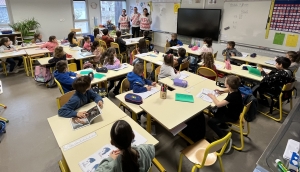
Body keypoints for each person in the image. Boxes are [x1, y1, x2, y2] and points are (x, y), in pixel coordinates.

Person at [207, 75, 244, 153]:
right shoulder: (236, 90)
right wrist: (221, 91)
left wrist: (213, 97)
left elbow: (218, 104)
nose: (224, 81)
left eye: (225, 81)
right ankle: (223, 125)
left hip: (232, 116)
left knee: (210, 121)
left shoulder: (232, 96)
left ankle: (224, 138)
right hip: (234, 111)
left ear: (229, 85)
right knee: (215, 110)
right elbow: (228, 90)